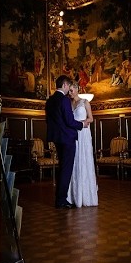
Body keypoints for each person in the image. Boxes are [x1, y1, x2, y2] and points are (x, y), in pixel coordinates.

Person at [45, 74, 89, 208]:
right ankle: (61, 200)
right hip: (67, 138)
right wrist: (82, 124)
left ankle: (60, 198)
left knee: (62, 167)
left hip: (56, 138)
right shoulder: (64, 100)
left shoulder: (49, 100)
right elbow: (69, 121)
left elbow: (49, 120)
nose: (68, 89)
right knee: (66, 169)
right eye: (68, 86)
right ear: (64, 85)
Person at [67, 82, 98, 207]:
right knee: (74, 160)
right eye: (69, 91)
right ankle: (73, 196)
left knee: (83, 160)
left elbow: (91, 118)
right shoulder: (69, 103)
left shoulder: (85, 102)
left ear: (77, 89)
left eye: (71, 90)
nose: (70, 93)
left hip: (83, 134)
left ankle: (85, 195)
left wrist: (80, 123)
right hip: (72, 134)